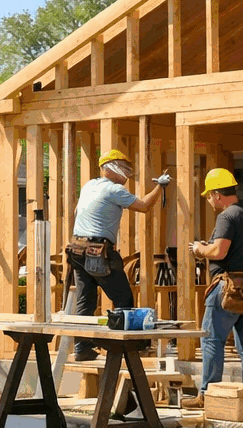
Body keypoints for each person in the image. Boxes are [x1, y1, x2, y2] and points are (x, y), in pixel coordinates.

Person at [66, 148, 170, 361]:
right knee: (123, 298)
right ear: (109, 168)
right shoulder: (114, 190)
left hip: (77, 248)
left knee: (85, 300)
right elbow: (144, 206)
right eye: (122, 168)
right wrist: (160, 186)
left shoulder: (90, 185)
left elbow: (77, 212)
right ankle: (125, 348)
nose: (126, 173)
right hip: (98, 251)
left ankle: (82, 348)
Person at [181, 167, 243, 409]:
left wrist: (199, 249)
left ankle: (206, 396)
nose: (209, 201)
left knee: (211, 341)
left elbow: (219, 251)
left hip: (228, 289)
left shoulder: (226, 217)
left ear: (217, 195)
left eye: (209, 196)